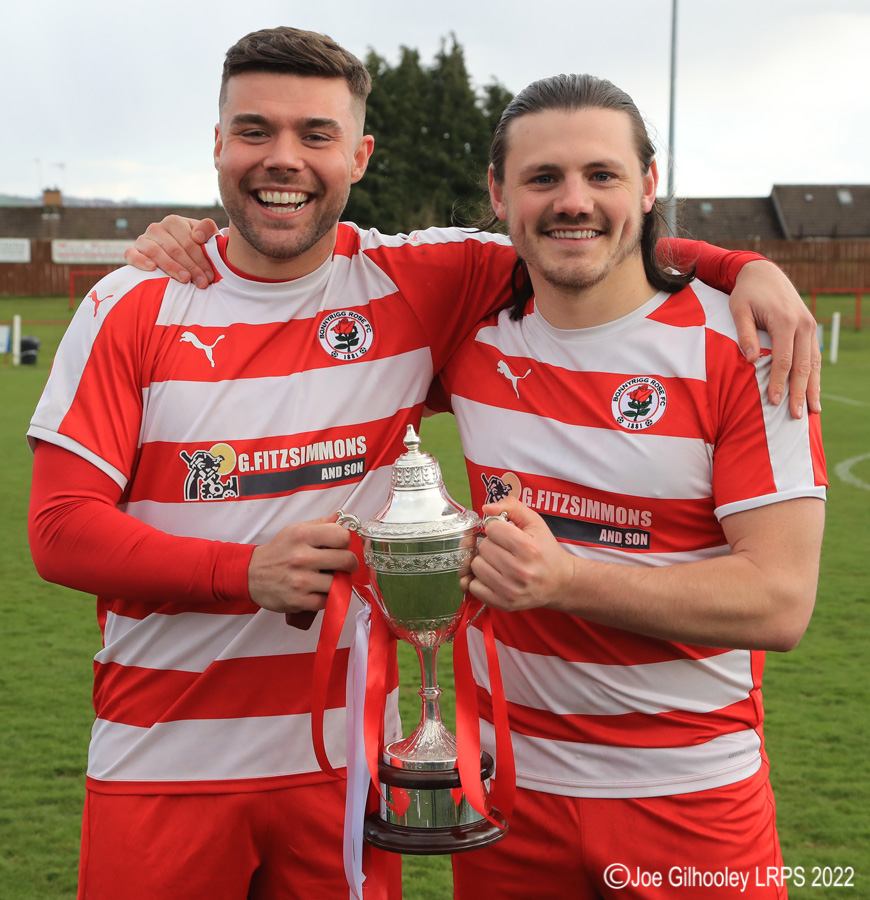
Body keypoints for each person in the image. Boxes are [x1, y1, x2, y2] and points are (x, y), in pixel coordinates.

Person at [29, 25, 817, 900]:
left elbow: (587, 240)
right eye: (254, 131)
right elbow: (59, 531)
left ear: (359, 153)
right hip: (159, 757)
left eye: (316, 135)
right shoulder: (132, 302)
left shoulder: (418, 283)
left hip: (348, 770)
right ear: (217, 145)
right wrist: (241, 569)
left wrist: (747, 266)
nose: (283, 158)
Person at [425, 74, 827, 899]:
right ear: (499, 195)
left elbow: (780, 601)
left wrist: (567, 581)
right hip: (504, 797)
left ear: (648, 186)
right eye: (544, 179)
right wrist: (185, 244)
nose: (574, 201)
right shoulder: (464, 327)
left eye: (602, 176)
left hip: (691, 800)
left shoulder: (746, 347)